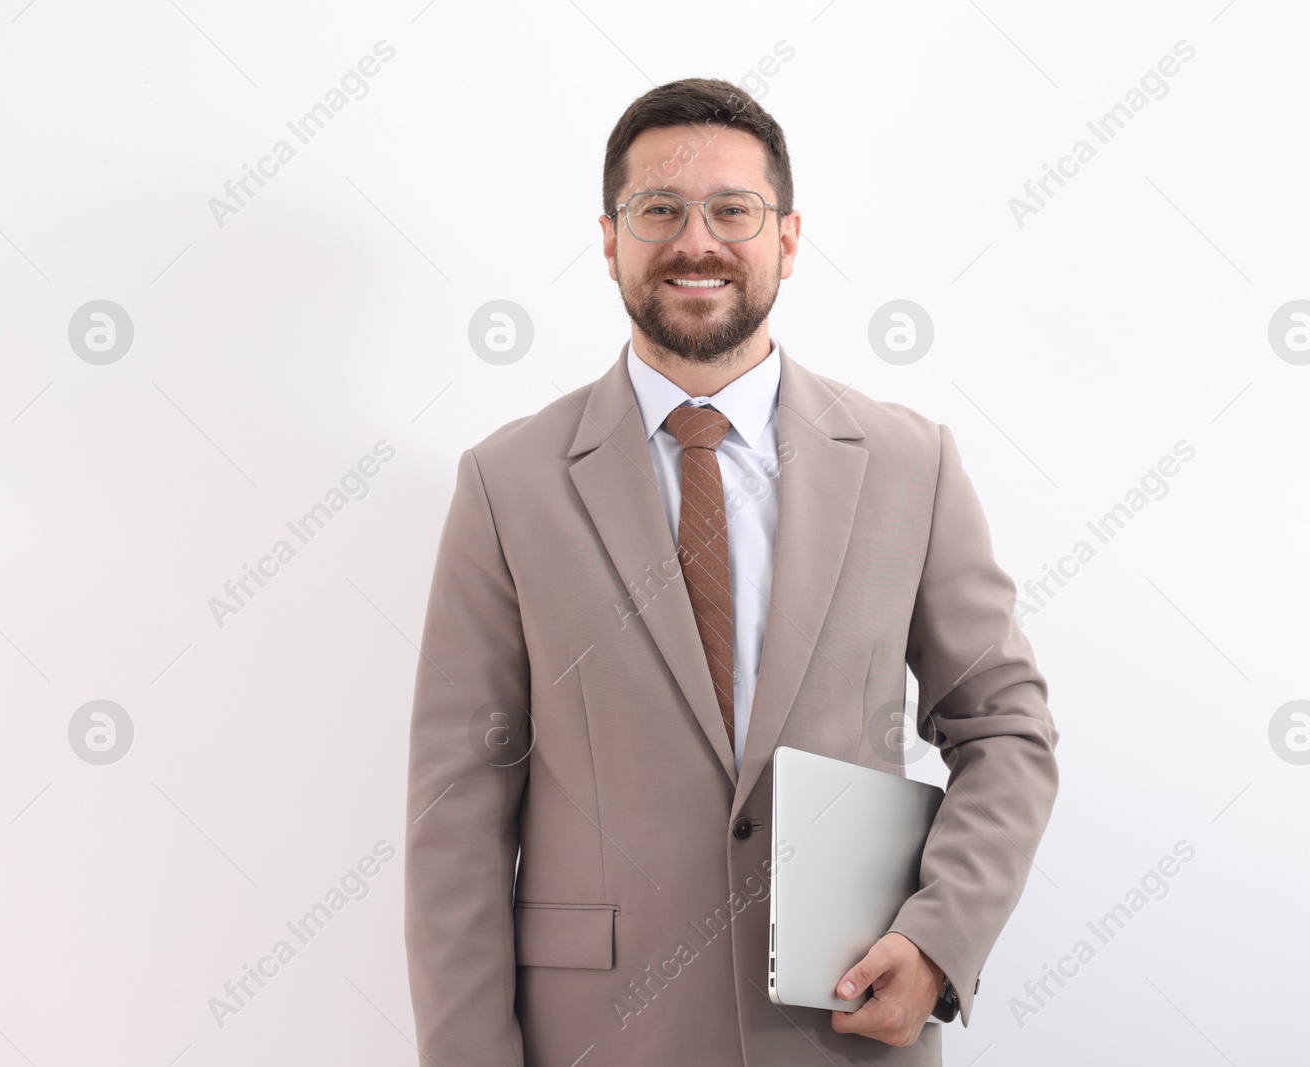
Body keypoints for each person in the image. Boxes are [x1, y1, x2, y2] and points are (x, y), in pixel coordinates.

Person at [405, 76, 1059, 1066]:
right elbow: (458, 813)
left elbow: (1005, 725)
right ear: (610, 236)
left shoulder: (908, 465)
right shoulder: (509, 485)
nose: (694, 241)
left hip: (841, 1027)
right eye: (657, 210)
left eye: (732, 211)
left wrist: (937, 937)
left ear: (787, 239)